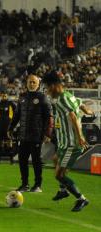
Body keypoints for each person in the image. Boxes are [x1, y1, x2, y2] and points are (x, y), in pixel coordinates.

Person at [43, 70, 89, 212]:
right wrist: (86, 110)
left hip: (71, 144)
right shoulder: (67, 96)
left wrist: (80, 136)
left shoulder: (63, 99)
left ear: (55, 85)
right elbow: (79, 103)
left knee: (59, 174)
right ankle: (63, 190)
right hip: (64, 143)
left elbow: (73, 117)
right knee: (56, 160)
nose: (47, 91)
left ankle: (81, 199)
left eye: (47, 87)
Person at [9, 74, 53, 193]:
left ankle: (37, 185)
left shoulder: (43, 97)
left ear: (38, 84)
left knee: (36, 161)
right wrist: (11, 128)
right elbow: (17, 115)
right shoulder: (22, 97)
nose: (32, 84)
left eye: (34, 82)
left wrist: (47, 134)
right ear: (26, 83)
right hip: (23, 135)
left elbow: (49, 117)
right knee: (22, 160)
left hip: (36, 135)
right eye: (30, 82)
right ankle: (24, 184)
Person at [0, 90, 16, 164]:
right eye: (2, 95)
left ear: (7, 96)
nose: (4, 97)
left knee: (9, 141)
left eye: (5, 95)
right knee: (0, 142)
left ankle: (11, 159)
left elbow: (17, 113)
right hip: (0, 126)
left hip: (9, 126)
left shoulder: (11, 103)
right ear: (0, 96)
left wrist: (15, 124)